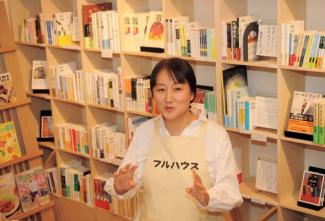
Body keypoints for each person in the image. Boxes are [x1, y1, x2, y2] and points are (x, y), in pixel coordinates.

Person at [105, 57, 243, 221]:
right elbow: (127, 183)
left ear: (192, 93)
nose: (168, 98)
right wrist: (120, 188)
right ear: (153, 95)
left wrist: (208, 198)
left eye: (177, 89)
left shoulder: (215, 135)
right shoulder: (144, 133)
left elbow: (232, 194)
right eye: (161, 90)